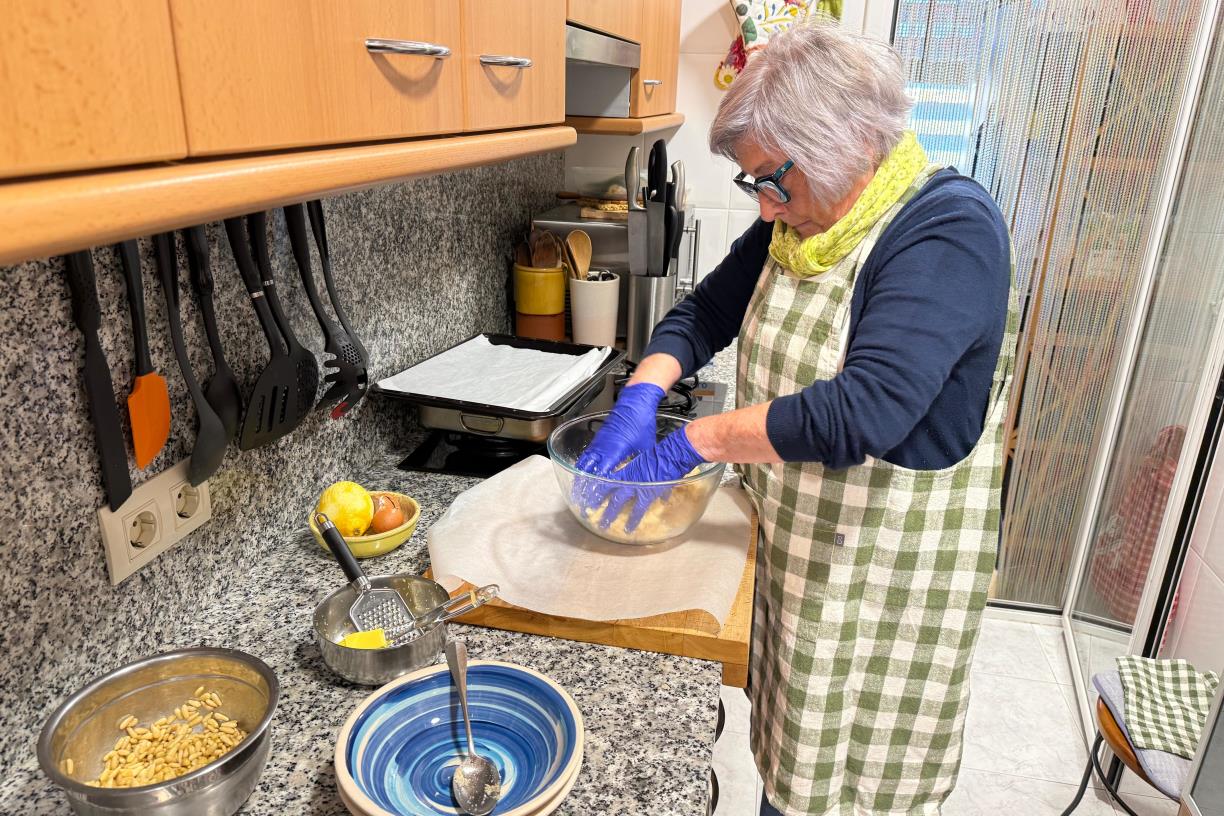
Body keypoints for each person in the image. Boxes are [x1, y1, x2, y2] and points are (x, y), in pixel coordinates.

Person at [575, 20, 1018, 816]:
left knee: (852, 789)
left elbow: (867, 408)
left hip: (883, 589)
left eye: (773, 179)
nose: (765, 204)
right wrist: (642, 392)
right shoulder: (797, 223)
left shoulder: (948, 232)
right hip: (803, 553)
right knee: (790, 768)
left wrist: (695, 440)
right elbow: (707, 312)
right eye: (754, 183)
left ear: (848, 142)